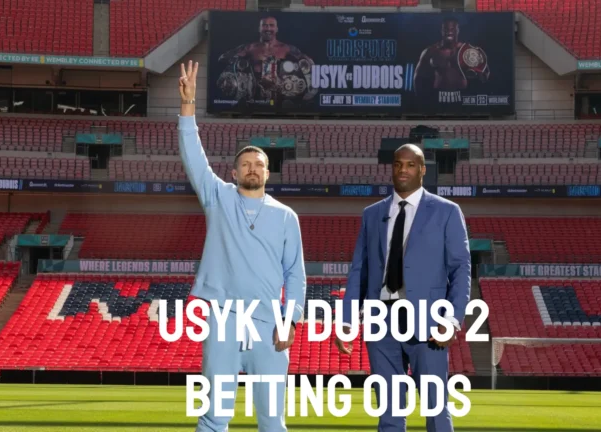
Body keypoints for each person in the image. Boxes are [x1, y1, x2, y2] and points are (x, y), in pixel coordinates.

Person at [178, 60, 306, 432]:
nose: (252, 168)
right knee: (214, 417)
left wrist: (292, 320)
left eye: (258, 164)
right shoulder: (218, 197)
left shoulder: (286, 216)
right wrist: (187, 106)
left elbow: (295, 275)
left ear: (268, 173)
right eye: (245, 163)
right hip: (224, 320)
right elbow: (193, 157)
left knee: (272, 421)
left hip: (269, 324)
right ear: (233, 173)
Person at [336, 144, 471, 432]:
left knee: (436, 408)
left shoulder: (447, 211)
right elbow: (359, 269)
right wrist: (348, 319)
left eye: (411, 165)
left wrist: (452, 320)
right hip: (380, 319)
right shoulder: (372, 214)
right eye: (398, 164)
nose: (403, 170)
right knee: (389, 411)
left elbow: (461, 268)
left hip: (428, 319)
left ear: (423, 169)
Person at [216, 16, 316, 105]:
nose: (268, 28)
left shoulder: (286, 48)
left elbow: (309, 64)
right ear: (259, 28)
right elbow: (222, 58)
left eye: (271, 25)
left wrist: (310, 90)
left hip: (279, 98)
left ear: (276, 29)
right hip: (254, 99)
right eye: (264, 25)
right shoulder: (249, 48)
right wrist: (235, 59)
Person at [414, 18, 490, 97]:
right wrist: (420, 102)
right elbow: (418, 78)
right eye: (446, 29)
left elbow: (485, 75)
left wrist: (479, 73)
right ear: (442, 30)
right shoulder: (430, 51)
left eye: (452, 29)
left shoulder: (468, 50)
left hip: (462, 96)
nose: (449, 32)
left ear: (458, 30)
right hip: (438, 98)